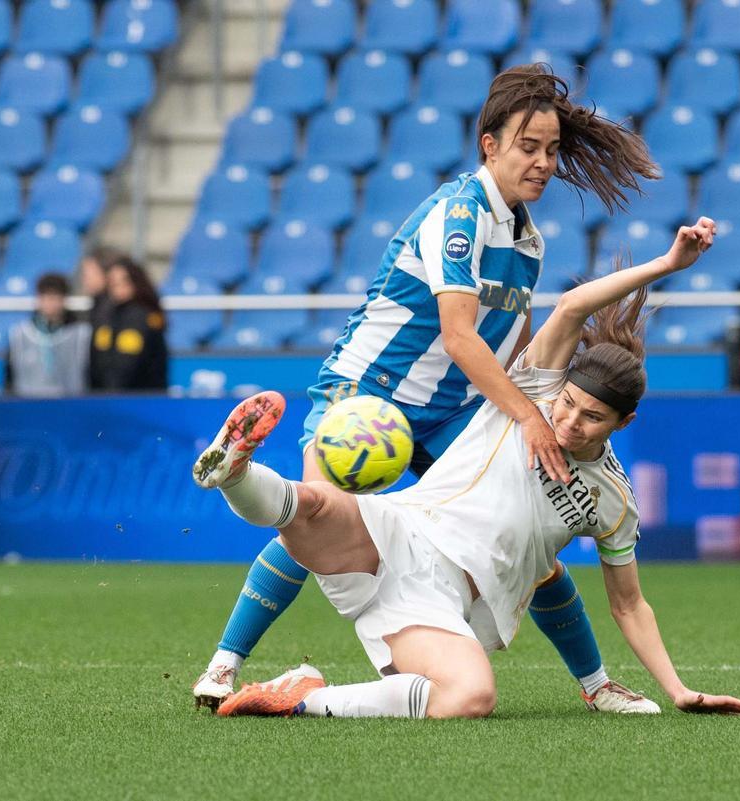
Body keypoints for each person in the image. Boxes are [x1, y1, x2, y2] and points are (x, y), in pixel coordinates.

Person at [191, 63, 663, 714]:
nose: (545, 163)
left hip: (449, 411)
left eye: (553, 151)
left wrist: (526, 400)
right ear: (488, 145)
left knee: (533, 552)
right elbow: (461, 336)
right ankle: (224, 664)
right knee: (320, 515)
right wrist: (528, 414)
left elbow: (504, 345)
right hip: (371, 389)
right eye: (529, 147)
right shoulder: (459, 212)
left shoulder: (529, 244)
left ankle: (597, 685)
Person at [192, 217, 740, 720]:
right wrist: (666, 264)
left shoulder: (612, 499)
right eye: (568, 404)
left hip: (442, 603)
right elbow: (572, 307)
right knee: (313, 505)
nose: (569, 422)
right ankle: (234, 470)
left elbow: (628, 604)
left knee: (469, 698)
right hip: (401, 533)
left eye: (592, 417)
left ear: (623, 424)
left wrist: (679, 689)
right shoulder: (533, 392)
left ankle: (303, 697)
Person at [88, 257, 169, 392]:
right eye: (112, 281)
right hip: (105, 398)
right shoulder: (105, 315)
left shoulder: (142, 317)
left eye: (124, 281)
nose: (117, 286)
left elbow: (128, 365)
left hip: (140, 398)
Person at [5, 273, 91, 397]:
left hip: (70, 407)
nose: (50, 304)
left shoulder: (81, 334)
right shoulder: (19, 335)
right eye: (45, 297)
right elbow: (10, 377)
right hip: (29, 408)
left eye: (55, 297)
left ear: (64, 300)